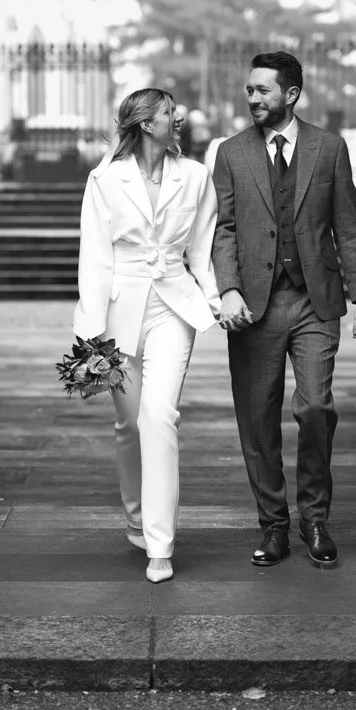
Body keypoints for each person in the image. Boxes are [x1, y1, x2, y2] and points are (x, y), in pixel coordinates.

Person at [210, 52, 356, 568]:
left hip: (315, 300)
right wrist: (228, 288)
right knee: (257, 418)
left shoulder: (329, 148)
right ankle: (274, 526)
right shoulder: (232, 153)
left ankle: (315, 518)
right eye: (249, 90)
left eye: (262, 90)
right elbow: (225, 229)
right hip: (255, 304)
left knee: (315, 408)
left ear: (291, 94)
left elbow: (347, 224)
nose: (252, 98)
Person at [73, 88, 222, 584]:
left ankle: (161, 544)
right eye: (166, 113)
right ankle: (135, 516)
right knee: (129, 424)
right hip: (118, 308)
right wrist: (92, 335)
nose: (176, 118)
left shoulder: (196, 176)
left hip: (173, 304)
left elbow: (202, 249)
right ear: (143, 123)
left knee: (159, 414)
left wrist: (218, 300)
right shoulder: (105, 179)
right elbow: (94, 257)